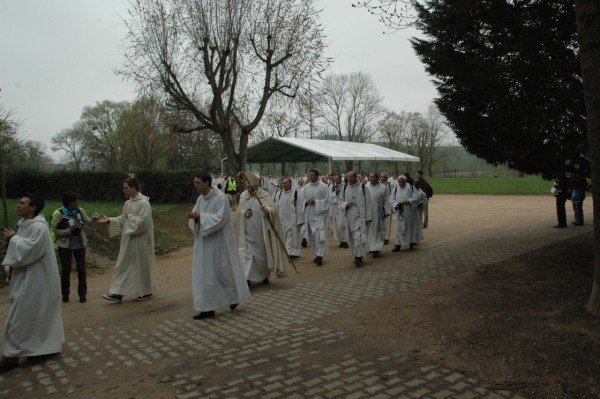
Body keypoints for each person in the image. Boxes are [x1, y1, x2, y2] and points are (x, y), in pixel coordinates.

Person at [1, 194, 65, 373]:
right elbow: (21, 250)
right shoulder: (26, 224)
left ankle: (11, 357)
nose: (18, 206)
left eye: (22, 203)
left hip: (37, 280)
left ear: (33, 207)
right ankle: (37, 349)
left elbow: (30, 250)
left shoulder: (39, 228)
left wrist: (13, 239)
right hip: (26, 277)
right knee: (31, 316)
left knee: (20, 317)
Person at [187, 173, 251, 320]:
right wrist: (195, 218)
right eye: (194, 182)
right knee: (205, 274)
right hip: (203, 242)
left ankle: (233, 297)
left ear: (207, 182)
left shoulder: (220, 198)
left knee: (222, 272)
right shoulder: (200, 199)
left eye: (197, 182)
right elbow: (197, 216)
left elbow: (220, 218)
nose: (195, 185)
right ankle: (207, 307)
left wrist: (200, 217)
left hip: (219, 242)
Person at [98, 177, 155, 302]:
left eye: (126, 188)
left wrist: (129, 217)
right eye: (123, 188)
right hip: (128, 239)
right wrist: (110, 220)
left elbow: (143, 223)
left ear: (134, 188)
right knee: (123, 265)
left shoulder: (144, 203)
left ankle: (146, 291)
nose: (124, 190)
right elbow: (123, 218)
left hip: (140, 240)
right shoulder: (128, 203)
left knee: (141, 265)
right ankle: (117, 292)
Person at [236, 171, 289, 285]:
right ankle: (247, 279)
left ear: (256, 185)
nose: (249, 189)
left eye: (251, 187)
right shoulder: (243, 196)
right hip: (247, 232)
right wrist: (244, 213)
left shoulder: (264, 195)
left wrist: (266, 210)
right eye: (247, 186)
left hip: (262, 232)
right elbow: (239, 212)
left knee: (262, 254)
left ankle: (264, 275)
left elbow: (273, 211)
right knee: (248, 254)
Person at [52, 191, 93, 303]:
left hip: (79, 244)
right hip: (64, 245)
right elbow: (55, 230)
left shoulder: (80, 210)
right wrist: (69, 230)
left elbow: (88, 221)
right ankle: (65, 294)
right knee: (66, 270)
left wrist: (94, 219)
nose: (78, 202)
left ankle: (82, 294)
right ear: (69, 202)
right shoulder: (59, 213)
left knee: (81, 269)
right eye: (75, 200)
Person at [338, 171, 371, 267]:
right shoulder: (345, 188)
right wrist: (346, 204)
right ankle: (356, 255)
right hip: (349, 217)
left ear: (356, 177)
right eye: (348, 177)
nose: (349, 179)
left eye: (351, 177)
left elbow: (368, 204)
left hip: (360, 218)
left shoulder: (363, 188)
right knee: (352, 238)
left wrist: (368, 218)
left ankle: (359, 258)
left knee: (358, 237)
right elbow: (340, 202)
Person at [301, 169, 330, 266]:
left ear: (318, 176)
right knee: (313, 237)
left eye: (312, 175)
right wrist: (306, 202)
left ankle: (320, 256)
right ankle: (316, 254)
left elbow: (327, 202)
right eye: (309, 175)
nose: (310, 177)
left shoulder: (324, 187)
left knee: (319, 236)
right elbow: (302, 199)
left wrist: (316, 202)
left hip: (320, 216)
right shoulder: (306, 187)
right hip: (310, 216)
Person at [390, 175, 424, 251]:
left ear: (405, 181)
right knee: (399, 228)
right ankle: (398, 244)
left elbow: (417, 198)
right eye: (399, 182)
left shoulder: (411, 188)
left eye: (402, 181)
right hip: (400, 211)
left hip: (410, 211)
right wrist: (396, 205)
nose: (400, 183)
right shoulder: (395, 189)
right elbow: (391, 200)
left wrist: (409, 201)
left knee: (410, 227)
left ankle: (411, 242)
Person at [275, 177, 304, 258]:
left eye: (285, 183)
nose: (283, 185)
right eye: (282, 183)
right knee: (284, 237)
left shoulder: (296, 194)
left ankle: (290, 253)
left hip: (292, 221)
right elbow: (276, 207)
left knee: (292, 237)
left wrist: (300, 221)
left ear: (290, 183)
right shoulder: (279, 194)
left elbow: (299, 208)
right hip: (282, 220)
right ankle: (291, 252)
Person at [365, 172, 390, 259]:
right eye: (369, 177)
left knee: (377, 231)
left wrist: (387, 211)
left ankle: (376, 249)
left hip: (378, 213)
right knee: (370, 231)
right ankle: (371, 247)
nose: (370, 178)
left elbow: (386, 200)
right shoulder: (366, 187)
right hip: (368, 213)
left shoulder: (383, 187)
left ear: (377, 178)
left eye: (372, 177)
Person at [332, 173, 349, 249]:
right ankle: (341, 241)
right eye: (335, 179)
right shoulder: (333, 186)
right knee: (336, 225)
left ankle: (345, 241)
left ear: (340, 179)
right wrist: (335, 193)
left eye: (337, 179)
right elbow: (329, 196)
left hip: (343, 208)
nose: (336, 181)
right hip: (335, 207)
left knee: (342, 225)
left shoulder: (345, 186)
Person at [380, 172, 393, 245]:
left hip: (388, 206)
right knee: (381, 222)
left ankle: (386, 238)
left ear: (387, 178)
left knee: (387, 223)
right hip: (380, 206)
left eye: (385, 177)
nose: (383, 178)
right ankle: (381, 236)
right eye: (382, 177)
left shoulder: (390, 185)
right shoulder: (378, 185)